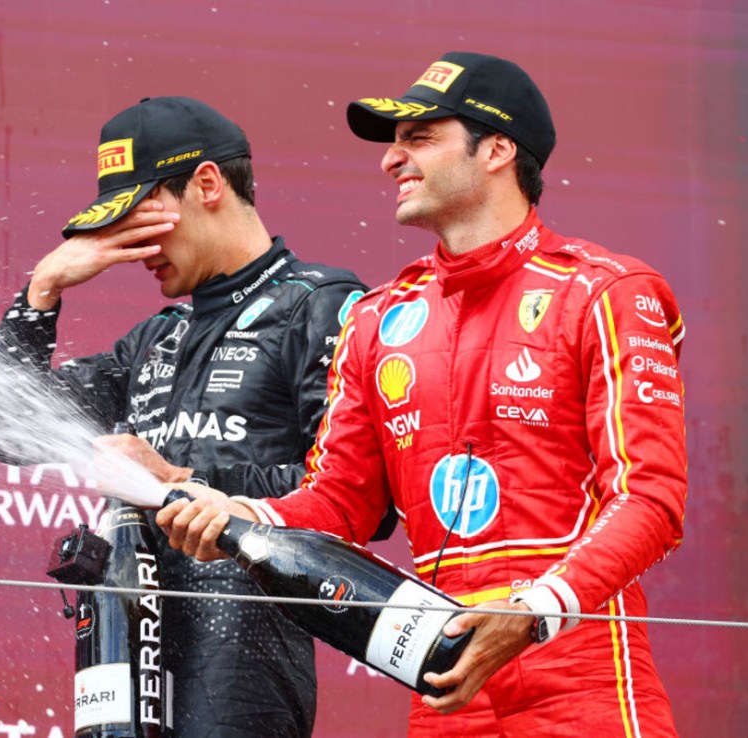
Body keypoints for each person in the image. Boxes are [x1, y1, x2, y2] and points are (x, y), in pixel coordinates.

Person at [157, 53, 687, 737]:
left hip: (582, 677)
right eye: (393, 142)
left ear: (496, 149)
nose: (390, 160)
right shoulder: (378, 317)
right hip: (442, 680)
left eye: (419, 138)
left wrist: (535, 610)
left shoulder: (606, 292)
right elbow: (340, 503)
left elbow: (650, 499)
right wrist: (240, 516)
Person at [0, 96, 372, 737]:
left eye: (138, 218)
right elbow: (1, 430)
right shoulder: (153, 338)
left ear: (208, 183)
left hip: (244, 667)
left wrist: (182, 477)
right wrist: (41, 291)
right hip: (125, 658)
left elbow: (358, 502)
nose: (129, 247)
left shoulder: (323, 305)